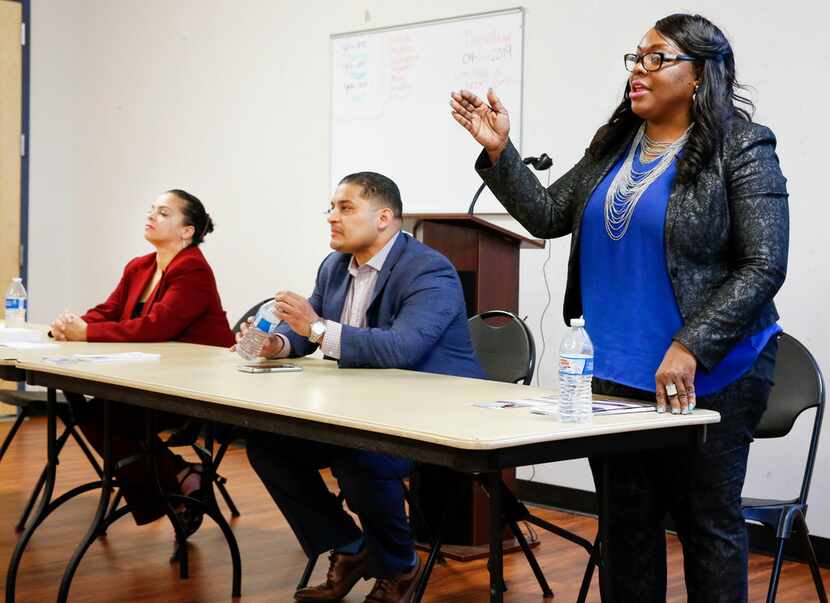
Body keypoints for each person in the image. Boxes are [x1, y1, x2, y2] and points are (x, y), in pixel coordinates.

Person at [451, 13, 788, 603]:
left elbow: (764, 263)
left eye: (657, 58)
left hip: (709, 375)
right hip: (612, 374)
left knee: (707, 528)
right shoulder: (615, 146)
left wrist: (690, 345)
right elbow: (550, 214)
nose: (639, 69)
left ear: (699, 75)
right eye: (636, 58)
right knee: (627, 529)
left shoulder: (742, 146)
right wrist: (502, 152)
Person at [243, 171, 484, 603]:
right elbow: (307, 332)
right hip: (365, 406)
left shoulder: (429, 269)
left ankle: (399, 566)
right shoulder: (334, 266)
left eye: (345, 208)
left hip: (435, 410)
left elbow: (402, 348)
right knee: (266, 443)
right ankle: (351, 547)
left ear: (384, 218)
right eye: (331, 208)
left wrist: (314, 327)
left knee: (360, 453)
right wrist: (277, 342)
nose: (332, 218)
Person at [51, 189, 235, 535]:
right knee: (95, 415)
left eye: (164, 213)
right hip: (150, 378)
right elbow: (108, 311)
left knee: (104, 418)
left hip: (193, 385)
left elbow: (157, 326)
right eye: (152, 210)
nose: (151, 216)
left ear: (187, 231)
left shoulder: (193, 269)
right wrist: (73, 325)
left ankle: (167, 490)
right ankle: (181, 476)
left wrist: (86, 334)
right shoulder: (139, 266)